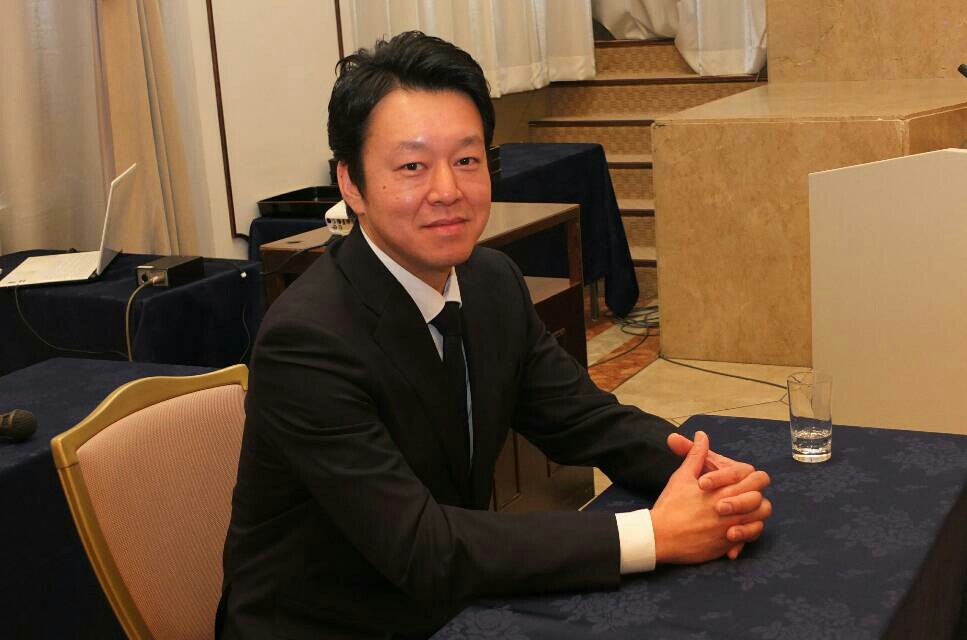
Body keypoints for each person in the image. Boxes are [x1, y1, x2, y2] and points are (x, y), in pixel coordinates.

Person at [217, 31, 771, 640]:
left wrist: (704, 475)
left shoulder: (490, 281)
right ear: (351, 184)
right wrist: (653, 535)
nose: (447, 191)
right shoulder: (306, 341)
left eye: (466, 160)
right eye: (412, 166)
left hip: (453, 602)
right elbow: (421, 545)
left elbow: (583, 418)